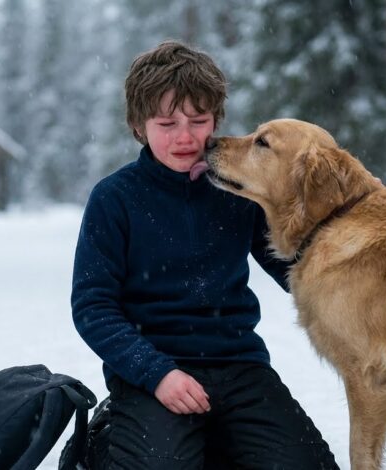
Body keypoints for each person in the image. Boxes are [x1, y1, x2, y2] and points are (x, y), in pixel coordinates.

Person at [71, 40, 338, 469]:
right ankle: (109, 441)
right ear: (139, 126)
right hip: (152, 374)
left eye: (198, 121)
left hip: (240, 367)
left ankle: (214, 441)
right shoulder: (114, 198)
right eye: (166, 123)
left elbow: (295, 271)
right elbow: (92, 307)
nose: (184, 137)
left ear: (216, 120)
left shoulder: (240, 192)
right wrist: (157, 374)